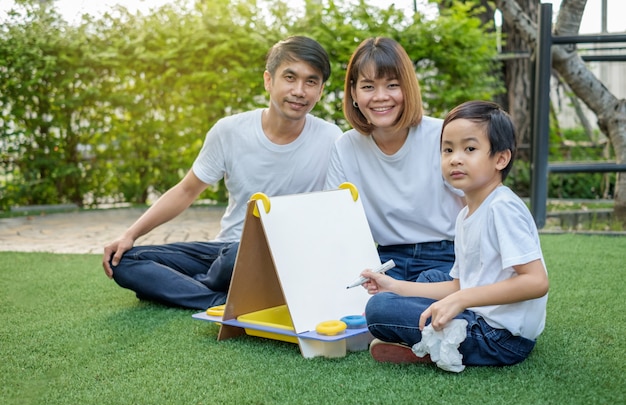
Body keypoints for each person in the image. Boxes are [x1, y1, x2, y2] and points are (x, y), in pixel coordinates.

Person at [102, 36, 342, 310]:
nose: (299, 90)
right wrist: (130, 235)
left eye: (311, 81)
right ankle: (220, 298)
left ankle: (187, 288)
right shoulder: (229, 131)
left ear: (321, 90)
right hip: (224, 251)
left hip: (284, 257)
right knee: (122, 260)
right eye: (290, 77)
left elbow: (334, 212)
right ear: (268, 80)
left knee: (240, 256)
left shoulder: (331, 138)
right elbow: (186, 190)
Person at [362, 100, 549, 367]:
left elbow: (536, 282)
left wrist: (461, 300)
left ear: (501, 158)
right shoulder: (465, 214)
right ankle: (428, 342)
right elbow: (462, 283)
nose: (455, 158)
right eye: (447, 149)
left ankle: (431, 346)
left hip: (501, 338)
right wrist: (394, 286)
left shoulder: (502, 208)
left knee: (378, 311)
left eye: (469, 148)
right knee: (425, 280)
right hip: (479, 313)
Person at [325, 37, 464, 282]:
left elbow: (477, 205)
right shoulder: (345, 147)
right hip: (386, 260)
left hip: (447, 255)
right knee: (374, 305)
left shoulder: (442, 135)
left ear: (407, 88)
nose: (380, 97)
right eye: (368, 87)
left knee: (419, 295)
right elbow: (335, 220)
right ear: (354, 94)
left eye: (392, 85)